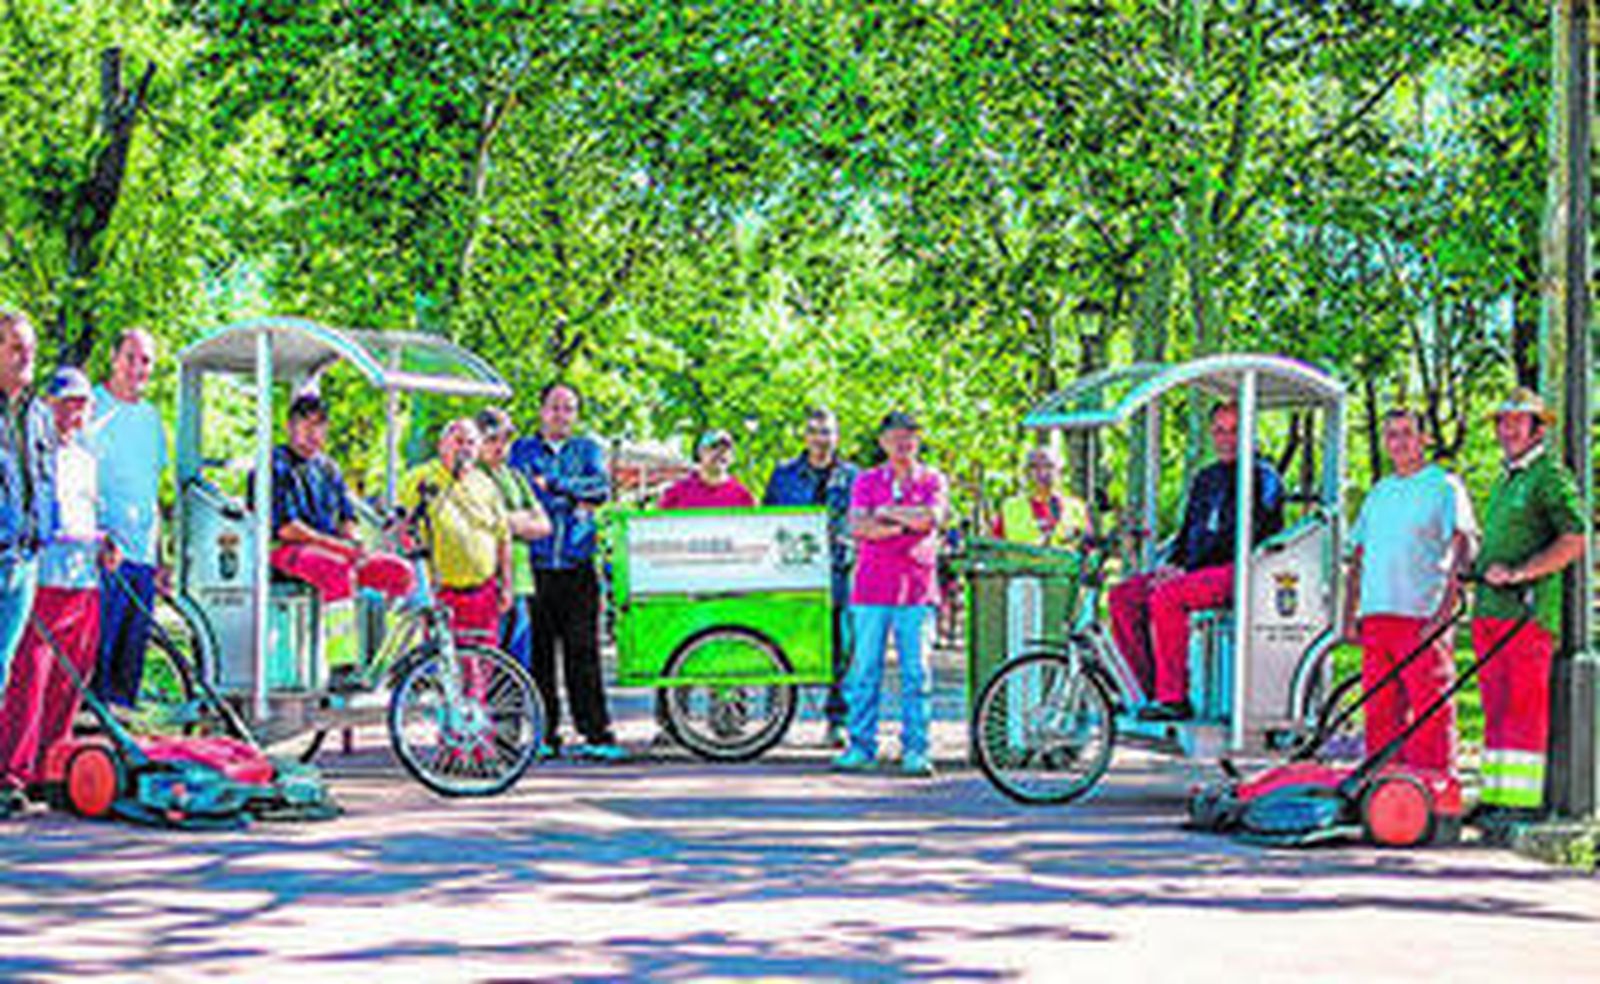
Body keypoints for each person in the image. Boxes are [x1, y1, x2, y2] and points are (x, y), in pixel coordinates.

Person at [1107, 401, 1284, 721]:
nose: (1227, 438)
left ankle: (1174, 697)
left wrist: (1185, 570)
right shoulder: (1206, 478)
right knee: (1122, 597)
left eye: (1234, 430)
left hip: (1242, 571)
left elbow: (1245, 534)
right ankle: (1143, 689)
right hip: (1196, 570)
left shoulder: (1263, 477)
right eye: (1220, 430)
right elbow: (1188, 531)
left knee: (1168, 596)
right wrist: (1171, 564)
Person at [1471, 388, 1586, 832]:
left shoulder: (1549, 477)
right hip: (1490, 612)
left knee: (1522, 707)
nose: (1507, 430)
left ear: (1538, 429)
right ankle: (1497, 795)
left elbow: (1574, 540)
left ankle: (1520, 805)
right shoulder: (1507, 479)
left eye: (1517, 422)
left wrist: (1519, 574)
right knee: (1495, 705)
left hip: (1526, 615)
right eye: (1502, 422)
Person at [0, 369, 115, 811]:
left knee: (72, 679)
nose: (73, 413)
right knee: (31, 676)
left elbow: (88, 513)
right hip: (44, 578)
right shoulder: (35, 450)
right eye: (65, 404)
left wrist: (103, 541)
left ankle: (52, 766)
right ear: (46, 406)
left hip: (83, 580)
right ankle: (14, 771)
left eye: (81, 404)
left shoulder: (87, 459)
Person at [1345, 408, 1477, 776]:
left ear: (1424, 440)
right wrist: (1348, 616)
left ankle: (1433, 790)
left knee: (1430, 708)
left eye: (1407, 434)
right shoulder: (1379, 493)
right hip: (1377, 616)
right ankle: (1383, 790)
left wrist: (1444, 612)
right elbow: (1358, 556)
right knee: (1380, 710)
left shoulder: (1444, 486)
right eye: (1391, 435)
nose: (1399, 442)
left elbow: (1464, 545)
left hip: (1421, 616)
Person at [509, 383, 625, 761]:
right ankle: (545, 734)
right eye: (555, 407)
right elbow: (519, 492)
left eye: (569, 408)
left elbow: (599, 490)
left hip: (578, 566)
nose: (562, 414)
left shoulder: (587, 449)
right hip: (537, 566)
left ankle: (596, 732)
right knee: (539, 655)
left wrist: (556, 485)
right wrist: (569, 497)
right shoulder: (522, 450)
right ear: (541, 411)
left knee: (583, 653)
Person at [833, 410, 948, 778]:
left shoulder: (932, 479)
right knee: (865, 670)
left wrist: (886, 516)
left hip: (916, 590)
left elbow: (931, 519)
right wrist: (904, 523)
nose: (904, 442)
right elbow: (858, 525)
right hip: (871, 590)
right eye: (896, 436)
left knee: (917, 673)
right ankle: (861, 745)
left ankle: (916, 748)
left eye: (911, 435)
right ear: (882, 442)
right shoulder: (866, 480)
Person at [763, 407, 859, 748]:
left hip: (839, 573)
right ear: (804, 436)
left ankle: (838, 721)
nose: (821, 439)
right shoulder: (783, 475)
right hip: (792, 573)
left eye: (827, 432)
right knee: (782, 644)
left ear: (837, 436)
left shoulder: (853, 476)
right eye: (814, 431)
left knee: (842, 647)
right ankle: (776, 716)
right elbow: (767, 522)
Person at [84, 328, 169, 709]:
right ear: (114, 359)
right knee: (96, 660)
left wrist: (161, 559)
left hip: (142, 560)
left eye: (146, 360)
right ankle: (88, 752)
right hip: (102, 557)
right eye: (131, 357)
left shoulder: (151, 419)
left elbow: (153, 492)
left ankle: (121, 757)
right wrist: (95, 536)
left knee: (130, 663)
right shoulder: (91, 407)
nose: (138, 368)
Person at [267, 392, 414, 604]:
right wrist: (335, 546)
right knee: (337, 570)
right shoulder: (275, 464)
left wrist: (352, 540)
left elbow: (347, 515)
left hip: (331, 548)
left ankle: (387, 633)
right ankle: (326, 634)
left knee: (399, 571)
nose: (313, 433)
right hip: (286, 550)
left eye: (319, 426)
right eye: (306, 425)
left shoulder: (328, 468)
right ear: (290, 427)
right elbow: (287, 529)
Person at [400, 419, 512, 649]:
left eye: (471, 443)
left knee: (483, 662)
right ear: (442, 445)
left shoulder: (486, 485)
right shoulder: (421, 478)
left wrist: (507, 584)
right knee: (445, 665)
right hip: (442, 593)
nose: (465, 449)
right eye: (458, 441)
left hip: (483, 592)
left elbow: (503, 536)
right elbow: (402, 526)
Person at [475, 407, 551, 672]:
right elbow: (478, 521)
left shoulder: (515, 477)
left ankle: (515, 714)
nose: (500, 446)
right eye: (492, 439)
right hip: (486, 581)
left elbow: (544, 524)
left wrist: (506, 521)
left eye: (505, 439)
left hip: (521, 581)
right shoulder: (472, 476)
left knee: (518, 665)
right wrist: (518, 520)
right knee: (487, 663)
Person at [0, 311, 52, 701]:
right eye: (16, 348)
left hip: (24, 561)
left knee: (2, 668)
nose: (26, 357)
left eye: (30, 349)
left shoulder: (37, 415)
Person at [992, 445, 1091, 546]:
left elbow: (1089, 549)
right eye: (1035, 467)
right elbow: (994, 549)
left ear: (1059, 470)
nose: (1042, 472)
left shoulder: (1076, 509)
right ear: (1028, 472)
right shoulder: (1011, 508)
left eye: (1049, 466)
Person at [657, 429, 756, 509]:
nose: (720, 454)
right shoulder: (676, 493)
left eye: (725, 450)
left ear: (732, 457)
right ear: (700, 452)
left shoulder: (743, 496)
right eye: (714, 448)